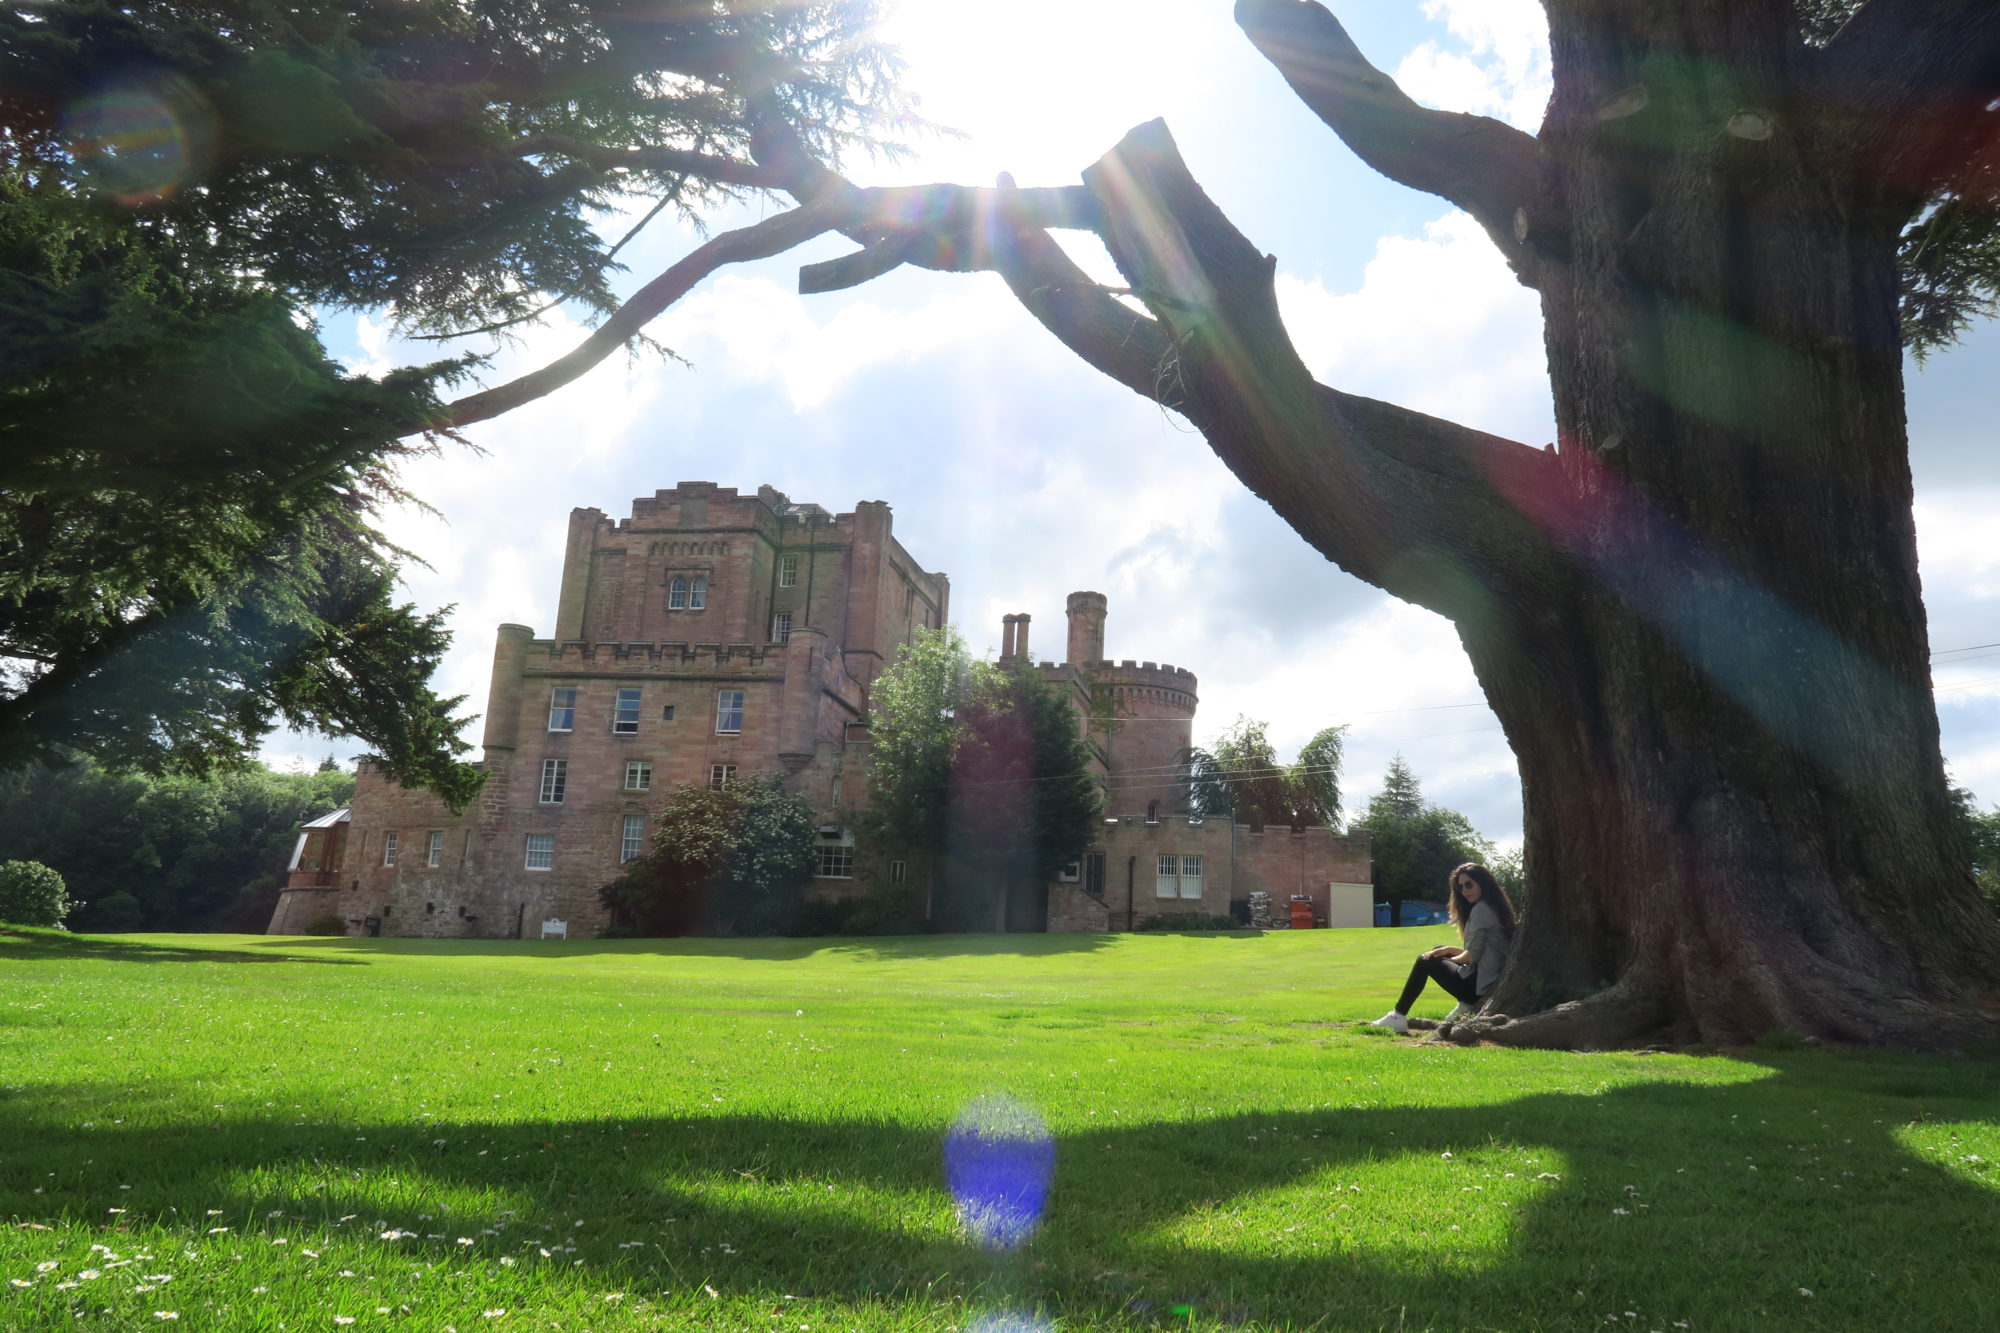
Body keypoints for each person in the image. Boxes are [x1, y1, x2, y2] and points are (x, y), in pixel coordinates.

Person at [1369, 862, 1516, 1034]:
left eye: (1469, 884)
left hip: (1478, 989)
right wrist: (1448, 950)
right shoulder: (1496, 907)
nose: (1465, 890)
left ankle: (1398, 1016)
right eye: (1461, 887)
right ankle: (1464, 1006)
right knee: (1438, 949)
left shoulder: (1481, 910)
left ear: (1483, 883)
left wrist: (1447, 960)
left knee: (1425, 960)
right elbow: (1481, 953)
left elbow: (1472, 957)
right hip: (1487, 982)